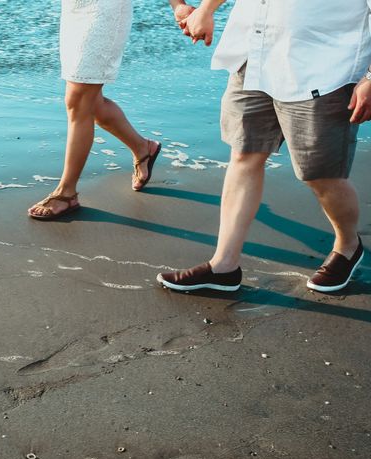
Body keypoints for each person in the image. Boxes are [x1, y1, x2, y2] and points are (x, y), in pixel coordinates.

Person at [158, 0, 371, 293]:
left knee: (320, 174)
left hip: (323, 68)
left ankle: (348, 245)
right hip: (255, 55)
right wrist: (208, 9)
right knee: (243, 154)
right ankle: (224, 265)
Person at [28, 0, 194, 220]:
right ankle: (143, 148)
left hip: (104, 10)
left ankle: (66, 193)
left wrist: (178, 5)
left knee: (78, 99)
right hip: (74, 9)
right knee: (91, 103)